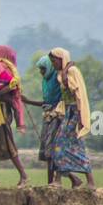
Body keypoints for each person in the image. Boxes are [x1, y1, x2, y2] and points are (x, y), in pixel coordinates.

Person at [0, 44, 29, 188]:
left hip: (2, 113)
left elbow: (7, 93)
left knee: (8, 144)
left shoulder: (4, 70)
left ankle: (24, 176)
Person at [47, 48, 96, 188]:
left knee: (61, 145)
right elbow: (65, 99)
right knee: (66, 145)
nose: (53, 63)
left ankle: (63, 180)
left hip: (76, 113)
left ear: (62, 59)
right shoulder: (61, 74)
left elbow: (79, 95)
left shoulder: (72, 71)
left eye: (54, 60)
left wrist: (81, 118)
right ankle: (71, 180)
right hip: (68, 112)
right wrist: (56, 112)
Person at [25, 53, 63, 184]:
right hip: (47, 117)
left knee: (53, 151)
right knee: (47, 153)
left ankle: (60, 181)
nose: (41, 72)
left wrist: (29, 101)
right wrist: (28, 101)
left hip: (57, 117)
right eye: (40, 69)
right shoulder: (45, 82)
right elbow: (46, 102)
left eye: (43, 69)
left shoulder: (57, 79)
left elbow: (58, 101)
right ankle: (50, 182)